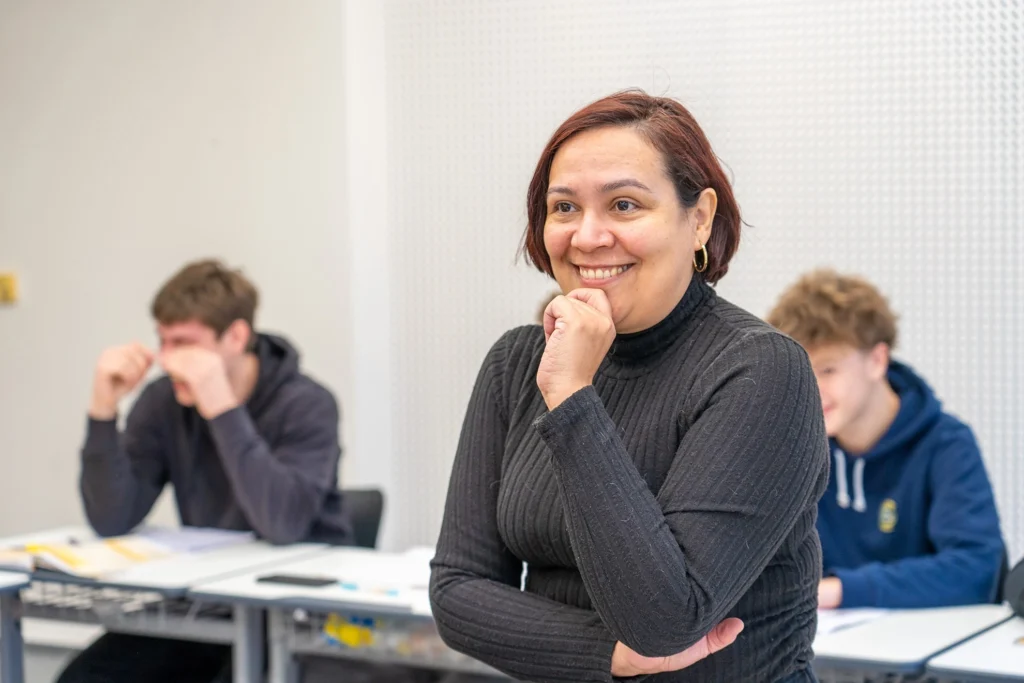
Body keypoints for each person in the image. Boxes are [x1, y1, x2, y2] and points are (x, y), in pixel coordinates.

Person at [429, 90, 829, 683]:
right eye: (563, 208)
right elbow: (457, 595)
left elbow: (665, 620)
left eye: (623, 205)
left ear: (699, 218)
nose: (588, 237)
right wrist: (606, 656)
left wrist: (572, 398)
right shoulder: (516, 363)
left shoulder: (761, 370)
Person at [58, 259, 352, 683]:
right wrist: (103, 410)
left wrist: (221, 405)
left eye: (184, 344)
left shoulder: (307, 403)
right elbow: (111, 517)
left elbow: (283, 522)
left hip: (295, 611)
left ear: (236, 337)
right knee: (87, 678)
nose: (168, 360)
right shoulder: (165, 402)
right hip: (207, 604)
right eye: (163, 342)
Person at [766, 269, 1005, 610]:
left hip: (924, 652)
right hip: (829, 652)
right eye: (803, 372)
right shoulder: (795, 448)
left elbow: (977, 570)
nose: (812, 390)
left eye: (828, 370)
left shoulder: (946, 445)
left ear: (877, 361)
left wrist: (840, 591)